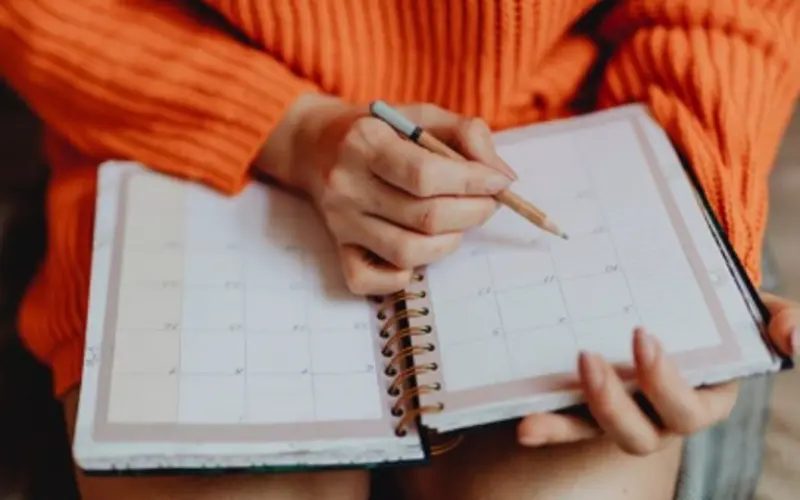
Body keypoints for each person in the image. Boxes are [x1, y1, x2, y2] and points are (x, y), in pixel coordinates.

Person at [1, 0, 799, 498]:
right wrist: (292, 129)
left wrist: (695, 240)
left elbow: (729, 15)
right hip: (182, 138)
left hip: (561, 136)